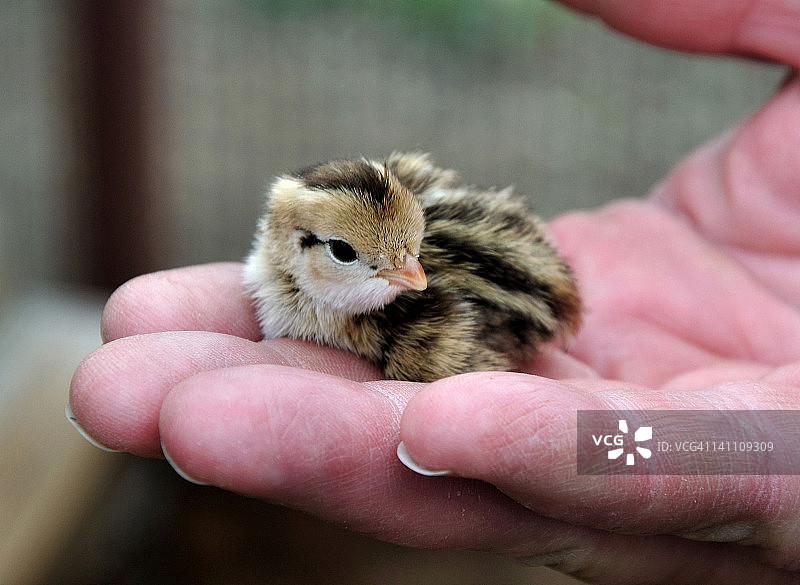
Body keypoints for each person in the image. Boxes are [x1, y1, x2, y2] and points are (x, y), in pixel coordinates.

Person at [68, 1, 800, 582]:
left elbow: (449, 303)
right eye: (356, 255)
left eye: (411, 254)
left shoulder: (416, 324)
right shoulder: (303, 272)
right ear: (296, 247)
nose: (411, 276)